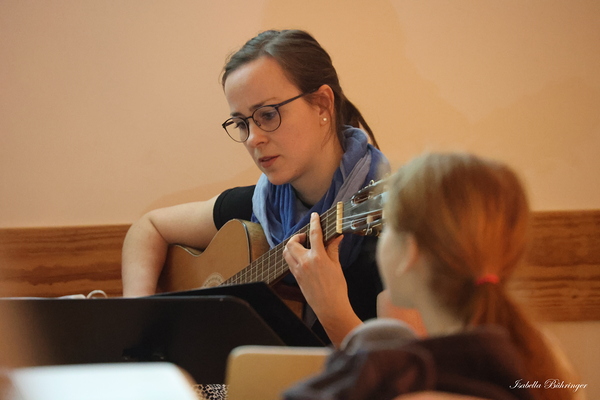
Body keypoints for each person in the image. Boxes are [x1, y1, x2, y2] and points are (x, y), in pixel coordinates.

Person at [121, 29, 389, 346]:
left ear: (321, 104)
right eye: (241, 123)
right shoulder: (262, 208)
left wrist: (332, 310)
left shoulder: (395, 226)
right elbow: (148, 228)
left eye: (268, 115)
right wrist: (138, 323)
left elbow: (408, 366)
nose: (252, 138)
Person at [284, 153, 583, 400]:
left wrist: (335, 315)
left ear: (410, 251)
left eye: (388, 229)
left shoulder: (416, 390)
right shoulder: (544, 357)